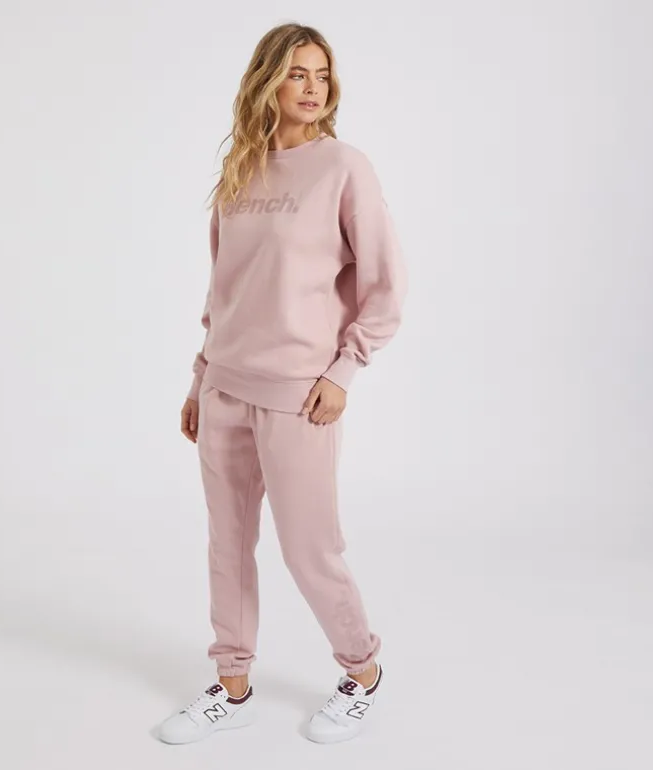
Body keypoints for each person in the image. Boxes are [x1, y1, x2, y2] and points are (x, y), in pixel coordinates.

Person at [156, 22, 407, 745]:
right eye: (298, 73)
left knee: (308, 549)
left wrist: (344, 370)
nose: (311, 87)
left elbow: (386, 286)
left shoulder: (344, 168)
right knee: (228, 545)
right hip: (225, 389)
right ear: (267, 81)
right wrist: (200, 377)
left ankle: (363, 671)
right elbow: (225, 290)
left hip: (300, 397)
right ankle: (231, 686)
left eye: (321, 75)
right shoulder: (240, 172)